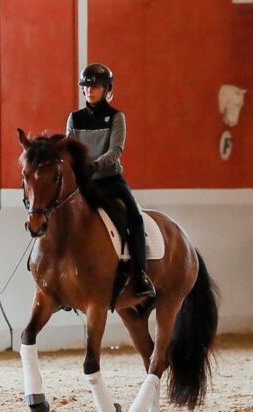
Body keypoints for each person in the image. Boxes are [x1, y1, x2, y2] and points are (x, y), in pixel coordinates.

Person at [66, 63, 155, 299]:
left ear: (106, 89)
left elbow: (116, 150)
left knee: (135, 219)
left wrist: (93, 165)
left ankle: (140, 274)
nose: (89, 91)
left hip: (109, 180)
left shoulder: (116, 117)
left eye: (95, 86)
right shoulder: (74, 118)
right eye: (86, 86)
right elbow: (68, 149)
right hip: (83, 183)